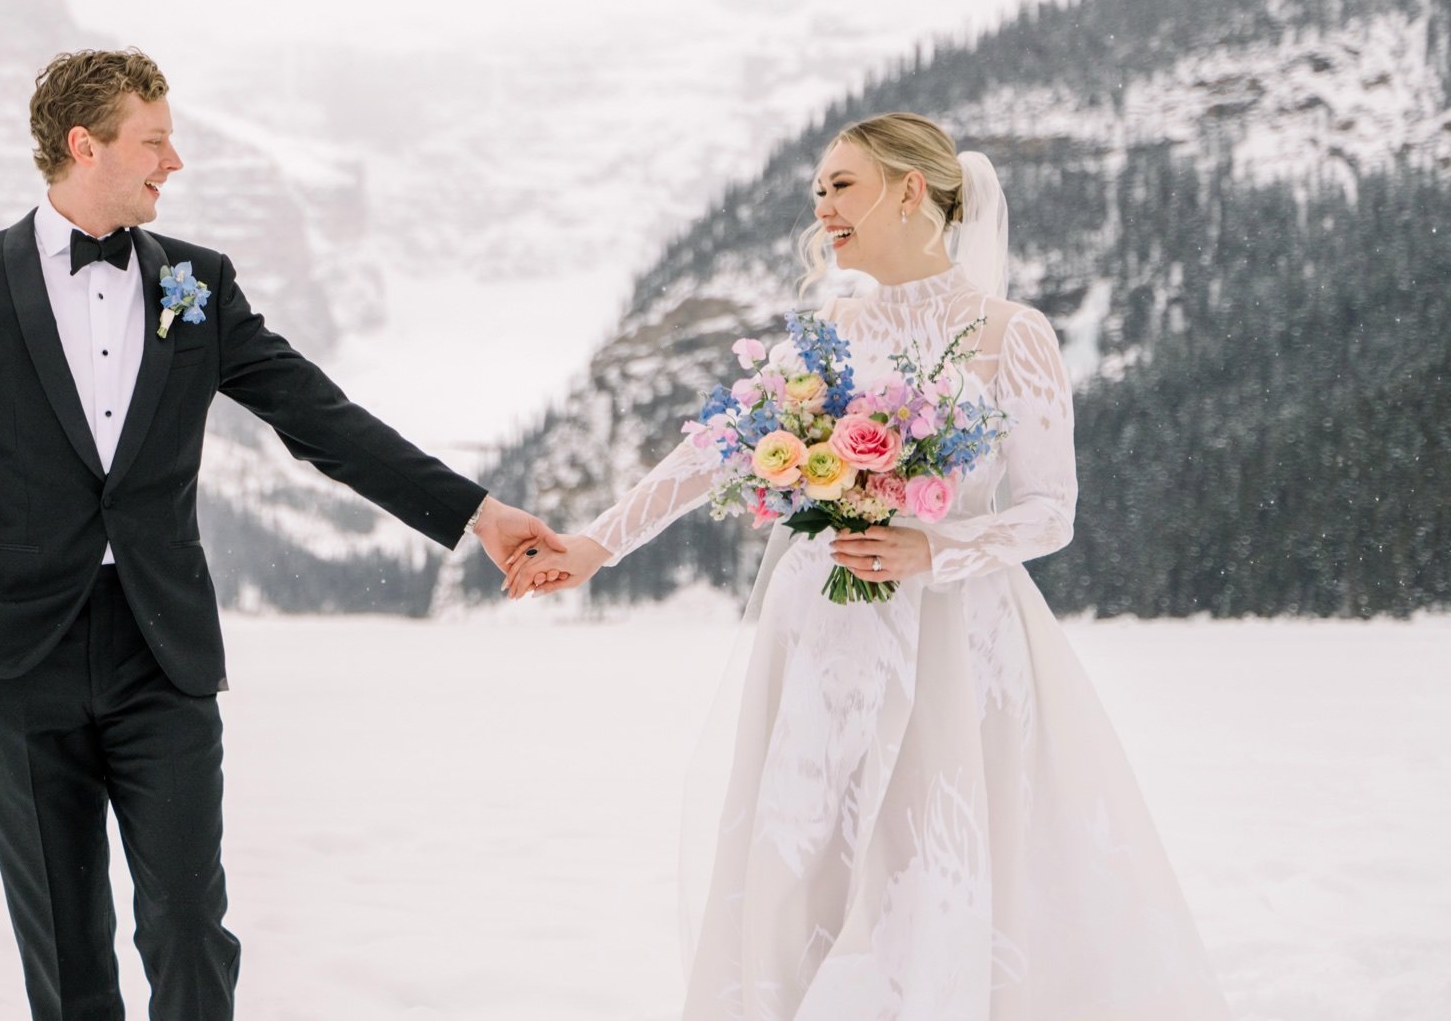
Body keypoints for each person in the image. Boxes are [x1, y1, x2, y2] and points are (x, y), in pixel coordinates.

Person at [505, 112, 1230, 1019]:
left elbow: (1050, 514)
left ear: (911, 190)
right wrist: (595, 545)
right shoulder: (828, 332)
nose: (822, 205)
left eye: (841, 184)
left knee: (929, 859)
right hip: (822, 639)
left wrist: (935, 546)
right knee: (807, 866)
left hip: (957, 642)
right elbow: (713, 454)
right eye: (818, 189)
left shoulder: (1013, 333)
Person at [0, 47, 559, 1021]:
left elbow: (319, 419)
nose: (175, 162)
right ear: (86, 144)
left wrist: (480, 515)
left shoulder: (197, 284)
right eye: (155, 141)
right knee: (68, 950)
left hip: (158, 650)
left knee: (188, 924)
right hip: (13, 656)